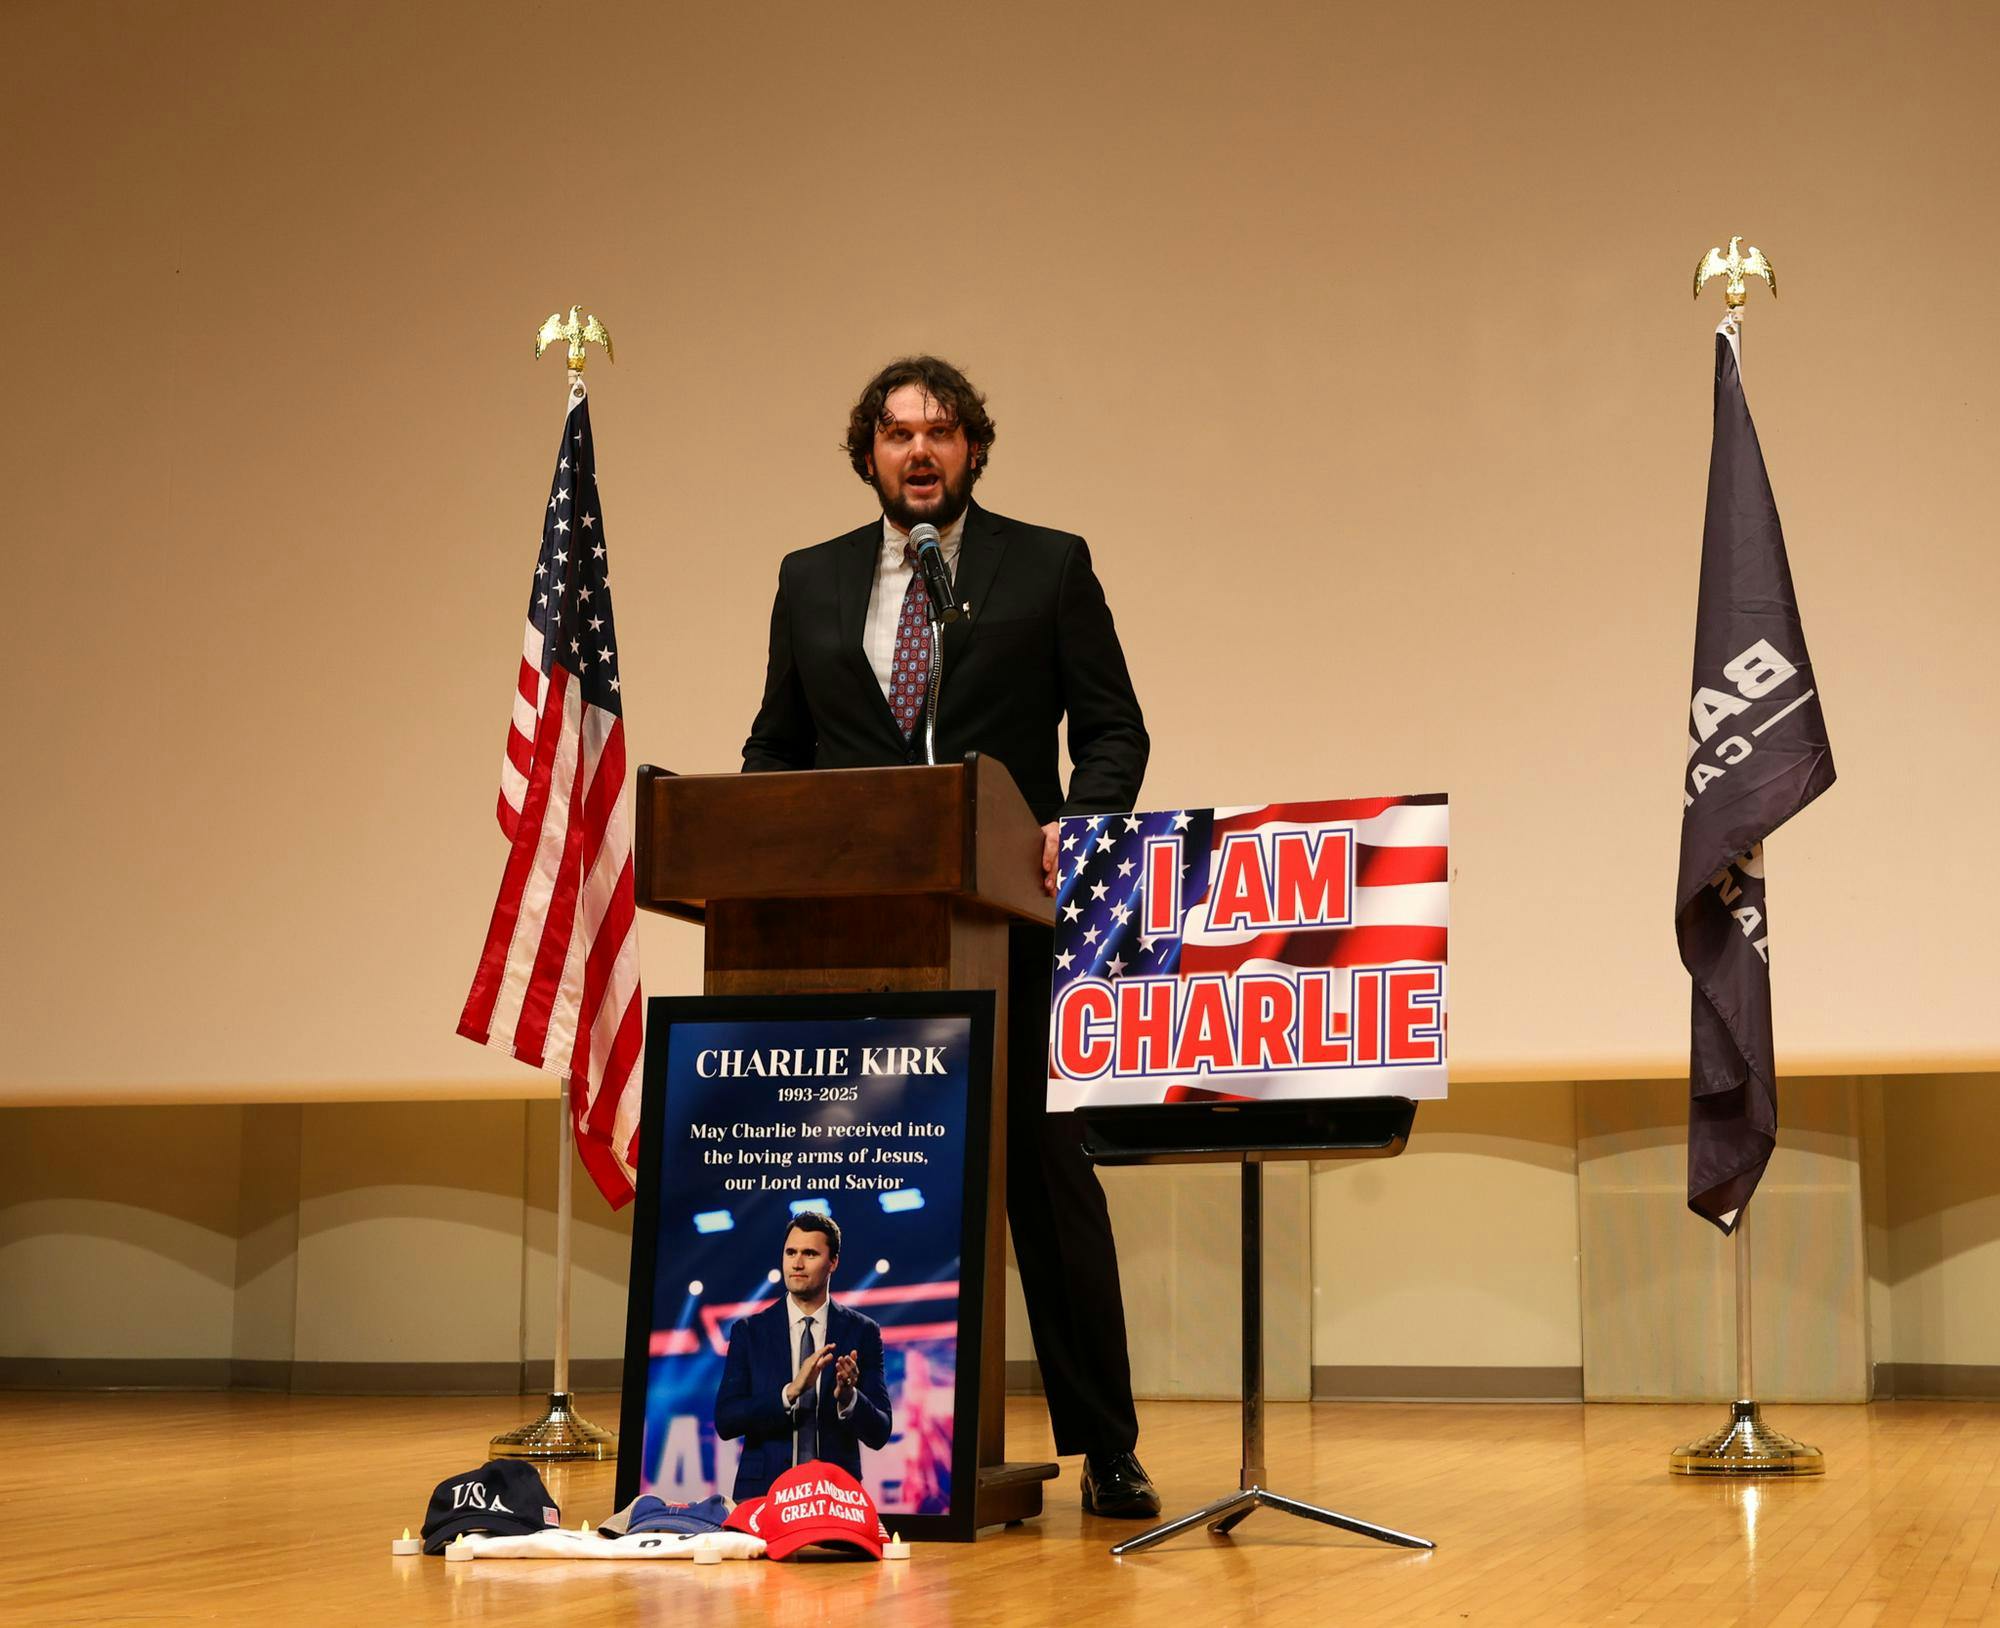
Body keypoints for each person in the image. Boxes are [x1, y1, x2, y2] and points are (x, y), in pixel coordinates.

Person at [741, 356, 1159, 1518]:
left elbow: (1113, 731)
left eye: (939, 431)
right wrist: (764, 830)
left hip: (1006, 923)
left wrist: (1075, 826)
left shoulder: (1047, 564)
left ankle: (1106, 1444)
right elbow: (776, 743)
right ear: (867, 454)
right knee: (852, 1182)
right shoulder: (810, 577)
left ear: (972, 447)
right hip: (852, 928)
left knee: (1046, 1177)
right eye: (896, 433)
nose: (918, 451)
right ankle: (853, 1443)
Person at [713, 1211, 893, 1500]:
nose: (797, 1263)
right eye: (790, 1252)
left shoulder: (862, 1331)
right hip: (762, 1495)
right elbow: (726, 1420)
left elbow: (880, 1432)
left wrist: (849, 1398)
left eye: (810, 1253)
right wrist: (790, 1392)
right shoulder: (749, 1331)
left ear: (833, 1262)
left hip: (835, 1498)